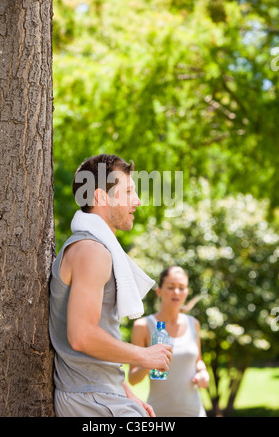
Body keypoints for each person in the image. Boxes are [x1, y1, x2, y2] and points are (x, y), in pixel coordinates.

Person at [49, 154, 172, 417]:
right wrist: (143, 355)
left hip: (102, 393)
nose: (137, 201)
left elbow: (101, 333)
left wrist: (127, 392)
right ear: (101, 197)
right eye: (128, 191)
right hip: (90, 397)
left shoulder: (95, 248)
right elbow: (81, 335)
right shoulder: (91, 251)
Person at [128, 266, 209, 417]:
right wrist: (149, 362)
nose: (176, 292)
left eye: (182, 288)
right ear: (159, 291)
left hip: (195, 412)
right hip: (159, 413)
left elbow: (198, 361)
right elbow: (132, 379)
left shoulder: (194, 324)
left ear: (187, 292)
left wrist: (203, 373)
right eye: (171, 287)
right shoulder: (143, 326)